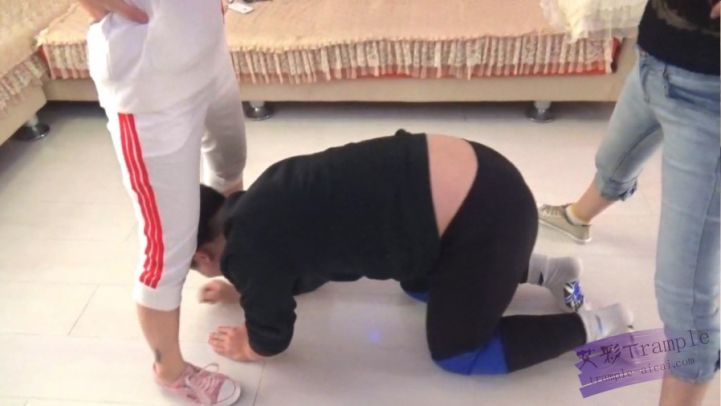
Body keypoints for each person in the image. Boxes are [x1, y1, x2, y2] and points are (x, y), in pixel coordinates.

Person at [191, 130, 633, 375]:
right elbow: (297, 268)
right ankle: (550, 272)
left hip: (491, 221)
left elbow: (272, 337)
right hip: (490, 177)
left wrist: (250, 347)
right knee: (419, 285)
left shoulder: (249, 254)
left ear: (203, 258)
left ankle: (597, 324)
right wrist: (245, 289)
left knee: (458, 353)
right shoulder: (262, 198)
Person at [538, 1, 720, 405]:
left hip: (710, 98)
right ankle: (576, 218)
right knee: (613, 161)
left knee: (685, 298)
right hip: (653, 58)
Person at [78, 0, 247, 404]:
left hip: (206, 50)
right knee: (167, 246)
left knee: (230, 169)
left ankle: (243, 273)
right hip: (148, 84)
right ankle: (170, 372)